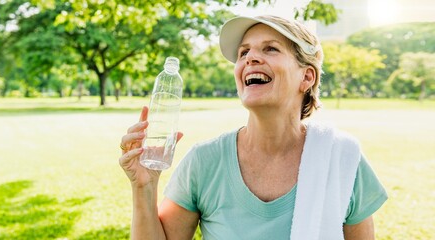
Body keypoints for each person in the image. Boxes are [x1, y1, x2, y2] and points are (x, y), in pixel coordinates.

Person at [119, 15, 387, 240]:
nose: (251, 58)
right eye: (243, 52)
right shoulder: (204, 162)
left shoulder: (342, 159)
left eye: (270, 48)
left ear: (306, 77)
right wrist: (143, 186)